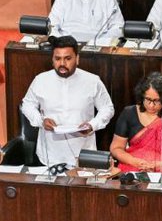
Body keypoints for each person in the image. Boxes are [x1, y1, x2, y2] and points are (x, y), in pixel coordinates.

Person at [20, 35, 114, 168]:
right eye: (57, 58)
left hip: (83, 153)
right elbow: (27, 105)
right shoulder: (41, 80)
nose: (62, 64)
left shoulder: (92, 81)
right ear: (52, 59)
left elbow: (107, 108)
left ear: (77, 59)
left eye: (68, 58)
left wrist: (92, 125)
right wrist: (41, 120)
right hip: (49, 154)